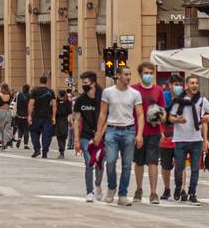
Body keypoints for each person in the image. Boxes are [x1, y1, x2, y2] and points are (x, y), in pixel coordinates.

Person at [100, 64, 144, 204]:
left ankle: (123, 194)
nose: (129, 77)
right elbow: (102, 113)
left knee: (127, 165)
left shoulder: (135, 94)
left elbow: (140, 115)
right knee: (111, 161)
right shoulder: (108, 92)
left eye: (130, 74)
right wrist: (99, 132)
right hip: (112, 129)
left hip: (129, 130)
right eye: (126, 74)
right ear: (118, 76)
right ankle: (111, 187)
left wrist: (139, 134)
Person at [131, 63, 168, 204]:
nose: (149, 75)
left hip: (154, 132)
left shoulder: (158, 90)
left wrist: (162, 127)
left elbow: (163, 111)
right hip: (138, 132)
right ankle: (139, 189)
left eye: (151, 72)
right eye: (146, 72)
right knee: (139, 162)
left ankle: (153, 193)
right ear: (140, 74)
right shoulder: (134, 89)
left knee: (153, 162)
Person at [168, 74, 206, 204]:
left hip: (196, 139)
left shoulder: (202, 100)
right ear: (187, 86)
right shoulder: (179, 100)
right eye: (192, 83)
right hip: (181, 139)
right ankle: (179, 187)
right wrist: (177, 119)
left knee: (195, 169)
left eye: (196, 83)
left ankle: (192, 193)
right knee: (179, 167)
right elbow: (170, 117)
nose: (195, 85)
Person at [72, 72, 103, 200]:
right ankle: (89, 191)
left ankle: (98, 184)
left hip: (100, 135)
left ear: (93, 83)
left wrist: (100, 133)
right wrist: (76, 140)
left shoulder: (102, 99)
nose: (84, 86)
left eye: (86, 83)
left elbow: (106, 118)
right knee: (89, 162)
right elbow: (76, 120)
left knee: (100, 163)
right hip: (85, 135)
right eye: (83, 83)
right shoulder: (80, 100)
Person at [28, 74, 58, 158]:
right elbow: (55, 105)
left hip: (37, 115)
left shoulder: (34, 91)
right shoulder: (50, 91)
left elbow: (31, 104)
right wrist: (54, 116)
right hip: (47, 116)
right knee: (47, 134)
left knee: (34, 131)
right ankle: (45, 151)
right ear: (46, 82)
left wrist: (29, 116)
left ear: (39, 81)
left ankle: (37, 149)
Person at [55, 87, 74, 157]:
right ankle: (62, 151)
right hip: (65, 121)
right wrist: (72, 122)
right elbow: (70, 113)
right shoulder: (67, 102)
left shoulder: (56, 102)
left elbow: (53, 111)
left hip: (58, 120)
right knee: (63, 136)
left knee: (59, 136)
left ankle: (61, 151)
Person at [13, 83, 31, 150]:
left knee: (20, 128)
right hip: (26, 115)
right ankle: (26, 145)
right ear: (28, 89)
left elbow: (14, 103)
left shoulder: (18, 94)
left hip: (18, 115)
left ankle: (19, 138)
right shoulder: (30, 96)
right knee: (26, 130)